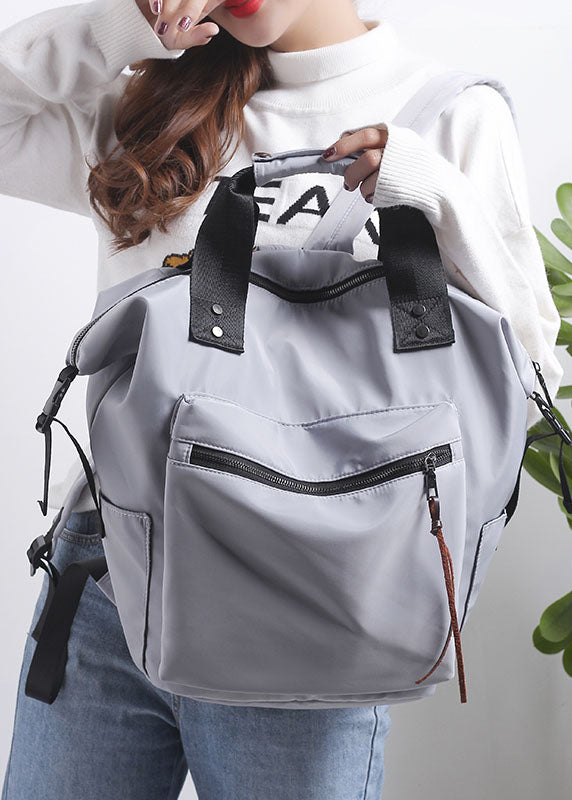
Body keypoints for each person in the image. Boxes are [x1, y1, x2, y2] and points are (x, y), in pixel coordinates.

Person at [0, 0, 562, 797]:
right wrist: (121, 22)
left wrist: (435, 197)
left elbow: (528, 377)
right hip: (107, 581)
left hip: (321, 609)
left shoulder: (448, 114)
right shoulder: (150, 105)